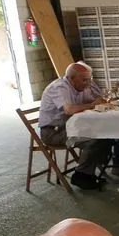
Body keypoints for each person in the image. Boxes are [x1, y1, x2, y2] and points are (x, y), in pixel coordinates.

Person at [38, 62, 112, 190]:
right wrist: (93, 104)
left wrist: (99, 99)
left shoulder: (82, 86)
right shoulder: (60, 87)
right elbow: (69, 110)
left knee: (107, 133)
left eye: (89, 79)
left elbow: (96, 99)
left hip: (72, 125)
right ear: (72, 79)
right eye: (84, 80)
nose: (88, 83)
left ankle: (89, 170)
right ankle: (81, 176)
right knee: (95, 139)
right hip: (54, 132)